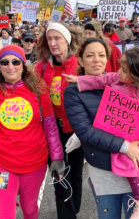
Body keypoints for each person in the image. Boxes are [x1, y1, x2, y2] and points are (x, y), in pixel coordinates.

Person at [65, 45, 139, 219]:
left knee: (132, 164)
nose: (96, 60)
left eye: (101, 55)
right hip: (103, 164)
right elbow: (101, 81)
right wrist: (79, 81)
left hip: (136, 143)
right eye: (90, 55)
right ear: (80, 59)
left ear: (136, 76)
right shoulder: (118, 79)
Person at [0, 45, 65, 219]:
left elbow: (51, 128)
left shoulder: (39, 91)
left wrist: (57, 157)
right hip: (2, 165)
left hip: (35, 164)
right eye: (5, 62)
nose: (10, 66)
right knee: (4, 213)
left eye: (15, 61)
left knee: (30, 210)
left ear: (23, 65)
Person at [34, 22, 84, 219]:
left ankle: (75, 208)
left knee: (76, 175)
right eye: (50, 39)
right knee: (60, 177)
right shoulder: (41, 68)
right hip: (52, 131)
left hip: (77, 131)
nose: (53, 43)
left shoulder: (79, 65)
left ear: (67, 40)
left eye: (57, 38)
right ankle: (67, 214)